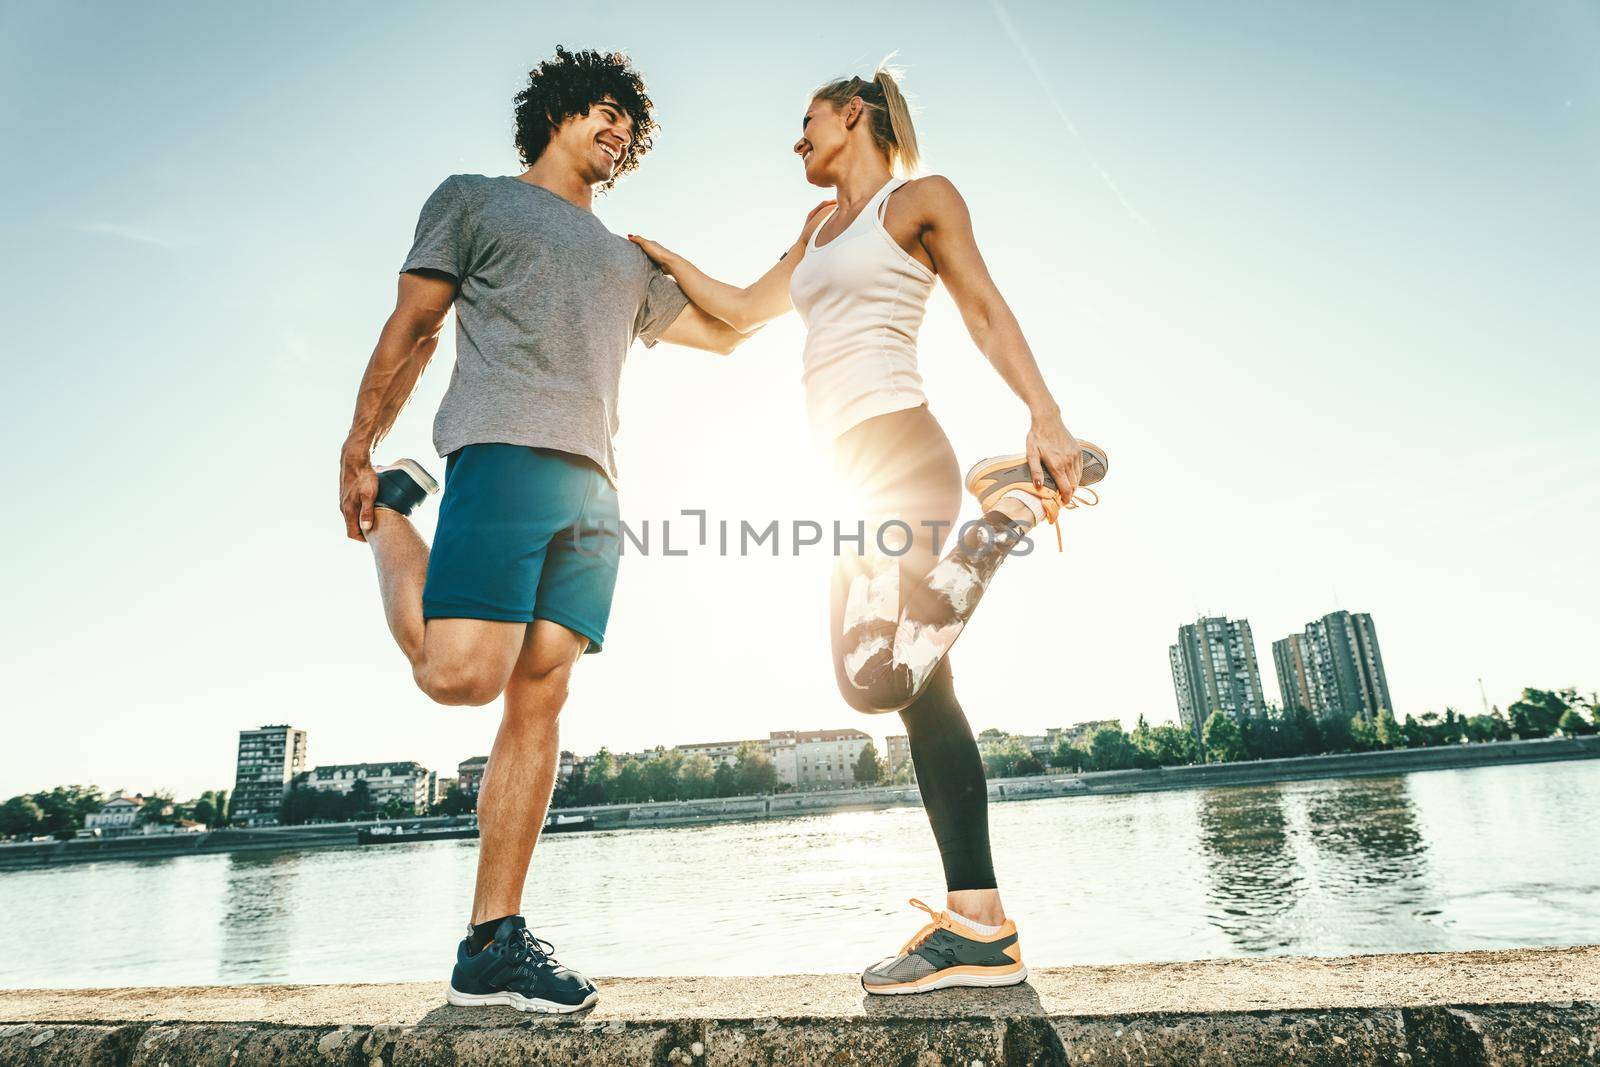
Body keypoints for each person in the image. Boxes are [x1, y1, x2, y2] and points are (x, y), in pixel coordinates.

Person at [627, 63, 1108, 994]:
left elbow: (982, 307)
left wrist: (1044, 412)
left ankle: (1004, 515)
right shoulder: (816, 230)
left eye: (806, 119)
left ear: (853, 114)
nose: (795, 138)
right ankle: (980, 926)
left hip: (902, 450)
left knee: (884, 676)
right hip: (839, 479)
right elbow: (739, 311)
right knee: (911, 689)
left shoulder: (918, 199)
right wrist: (658, 262)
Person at [337, 47, 752, 1014]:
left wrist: (706, 258)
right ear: (557, 113)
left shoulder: (624, 261)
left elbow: (730, 333)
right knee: (460, 675)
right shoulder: (476, 200)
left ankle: (494, 938)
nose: (618, 132)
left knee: (543, 690)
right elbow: (415, 327)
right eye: (605, 112)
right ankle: (396, 515)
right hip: (503, 448)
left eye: (630, 127)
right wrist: (362, 446)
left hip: (597, 483)